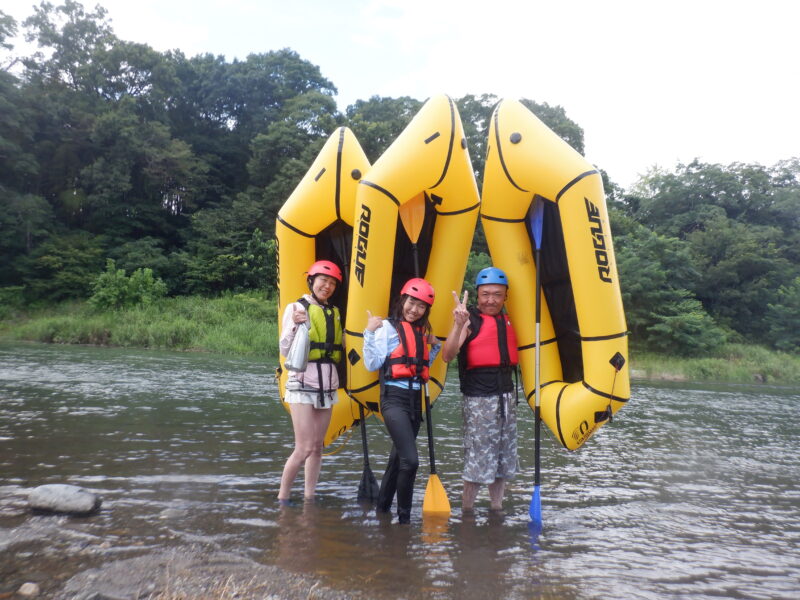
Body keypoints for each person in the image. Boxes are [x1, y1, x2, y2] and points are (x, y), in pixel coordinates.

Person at [363, 278, 441, 524]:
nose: (414, 310)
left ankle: (382, 511)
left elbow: (423, 366)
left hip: (415, 402)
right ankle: (405, 521)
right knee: (411, 460)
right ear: (402, 301)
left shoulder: (422, 333)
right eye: (411, 303)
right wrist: (369, 331)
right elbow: (372, 364)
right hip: (393, 400)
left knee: (397, 462)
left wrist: (435, 348)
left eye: (421, 307)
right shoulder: (386, 327)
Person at [441, 267, 519, 512]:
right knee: (478, 460)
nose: (491, 300)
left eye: (497, 294)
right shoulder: (470, 320)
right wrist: (457, 324)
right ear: (477, 295)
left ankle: (496, 508)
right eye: (485, 294)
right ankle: (467, 511)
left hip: (507, 396)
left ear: (505, 296)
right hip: (479, 399)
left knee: (502, 460)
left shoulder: (510, 319)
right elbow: (447, 355)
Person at [278, 260, 344, 504]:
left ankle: (309, 497)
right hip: (302, 383)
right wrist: (295, 324)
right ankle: (282, 498)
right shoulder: (296, 307)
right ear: (312, 281)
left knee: (317, 447)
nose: (326, 286)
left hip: (327, 384)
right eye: (323, 281)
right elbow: (284, 348)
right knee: (303, 448)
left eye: (331, 283)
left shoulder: (334, 312)